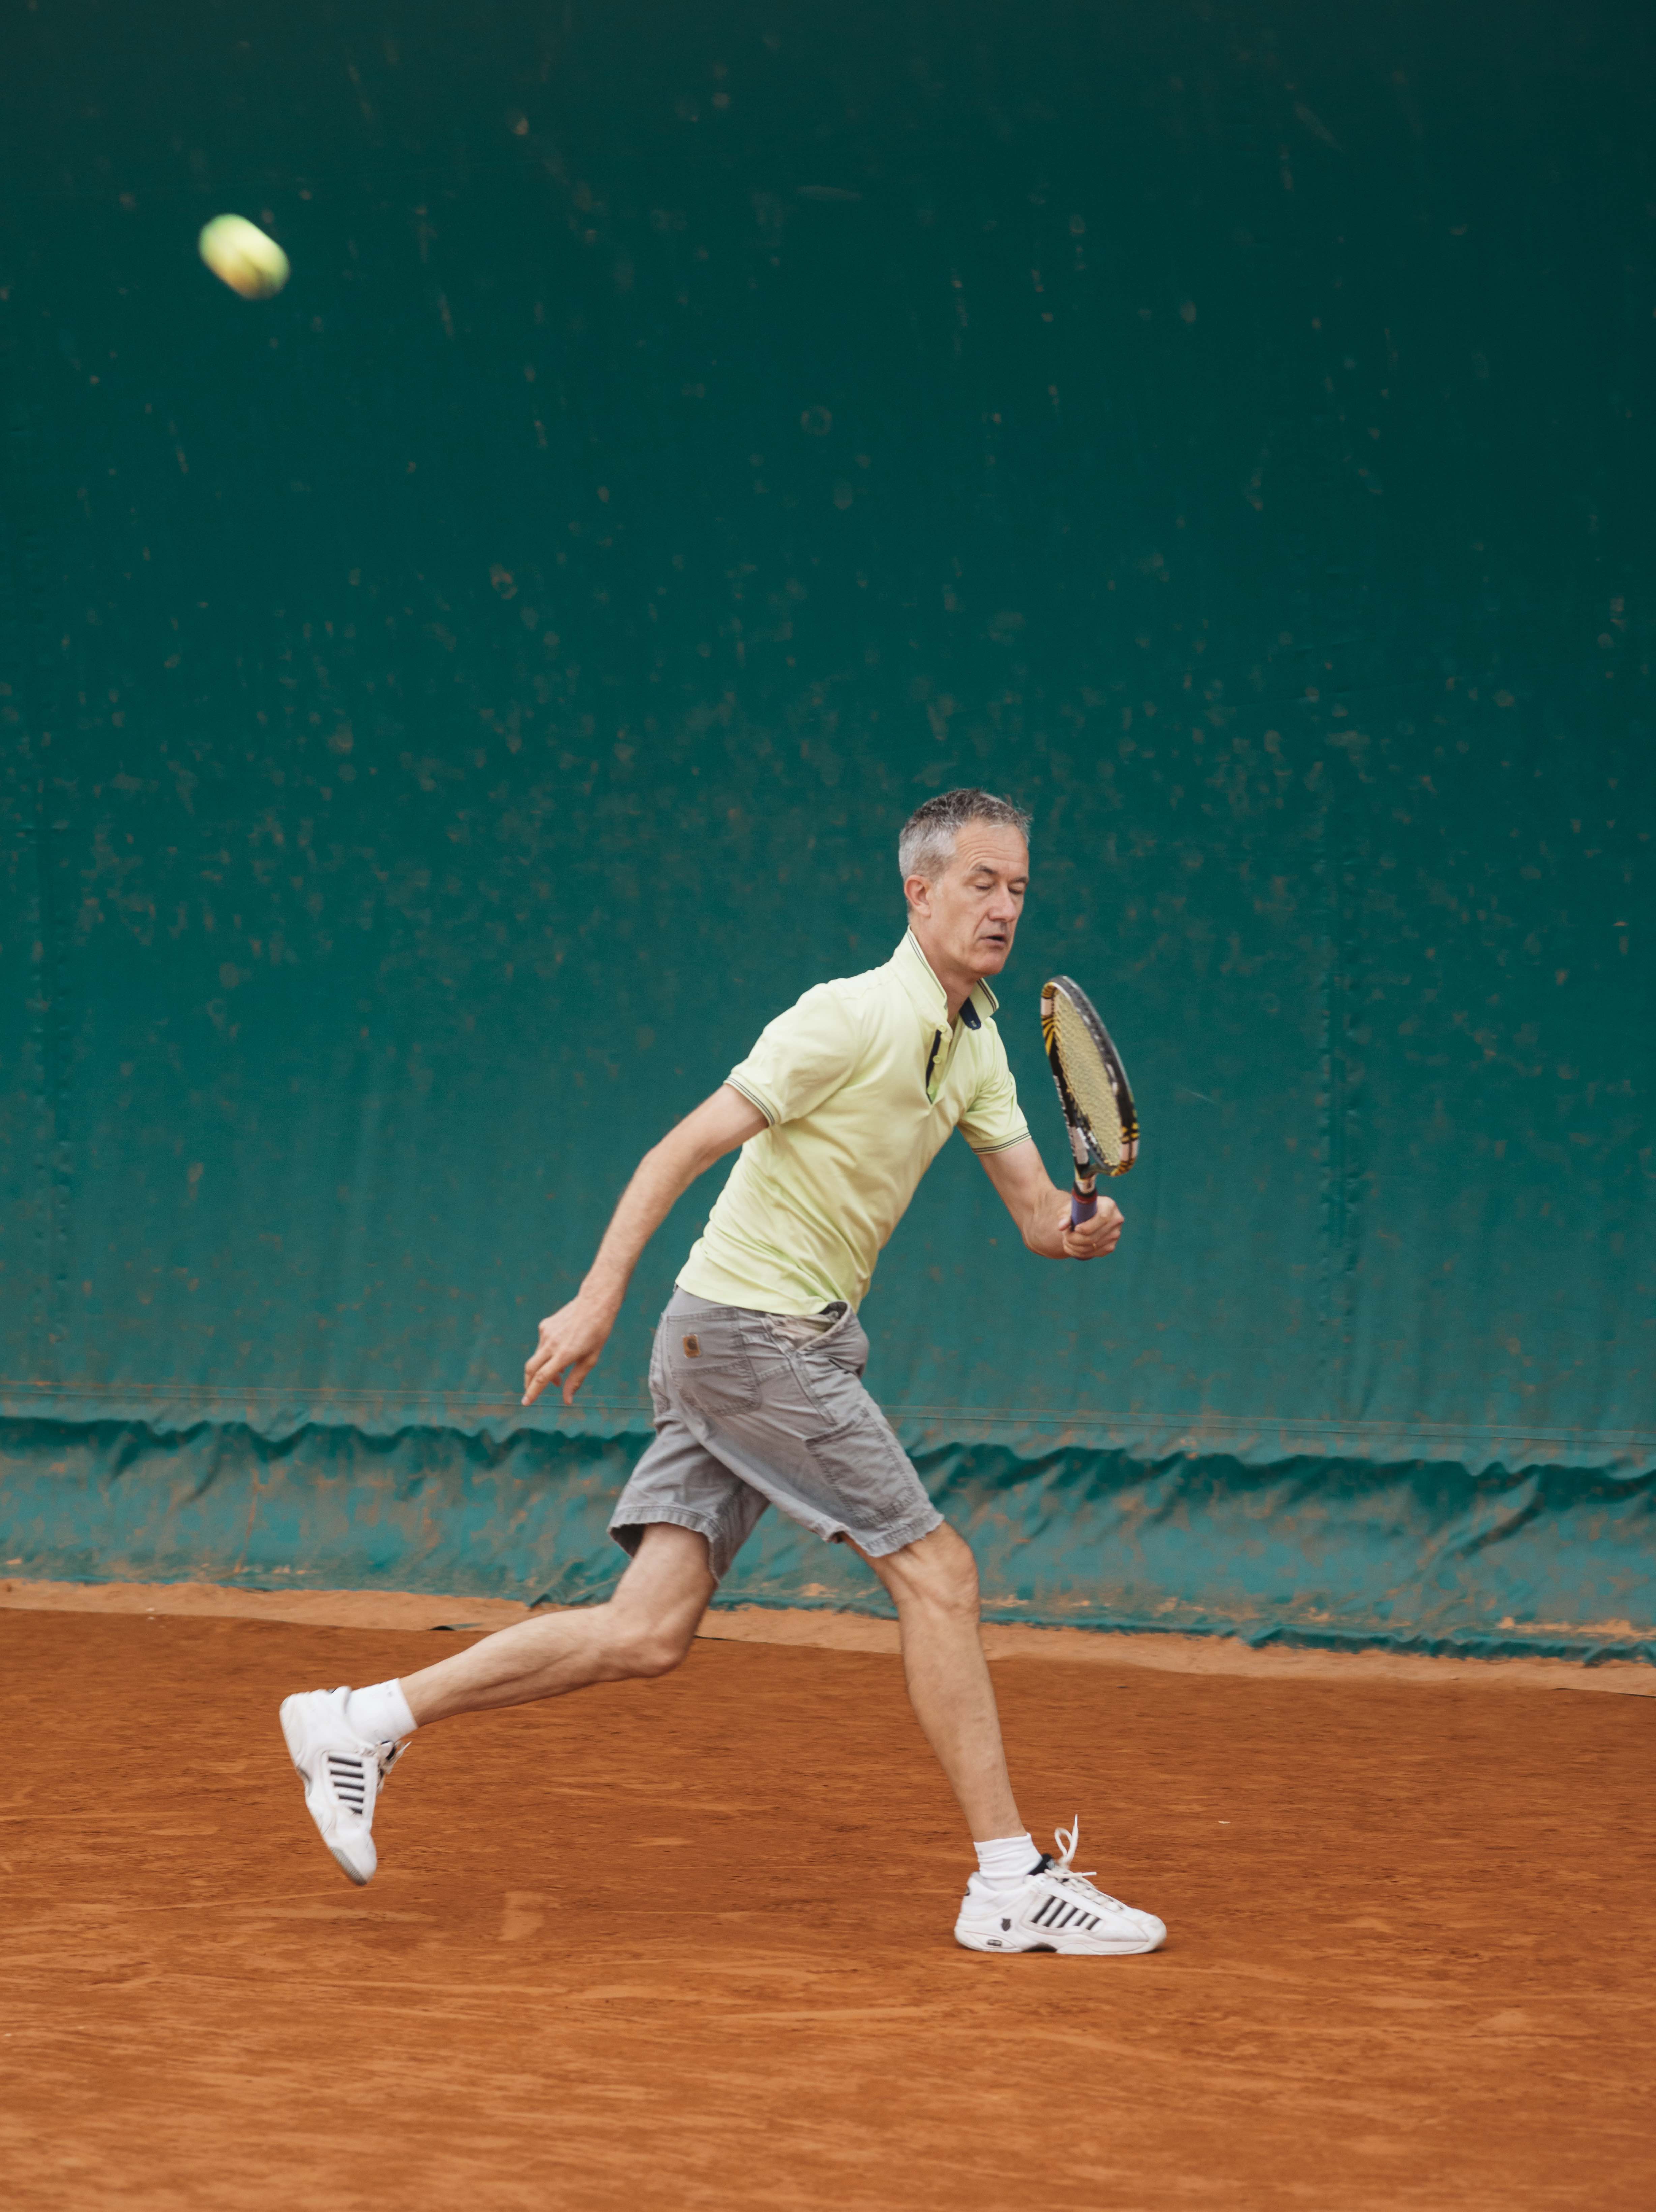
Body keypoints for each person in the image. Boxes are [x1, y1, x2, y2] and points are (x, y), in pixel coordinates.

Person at [279, 787, 1166, 1956]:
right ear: (920, 893)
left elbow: (1041, 1218)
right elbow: (679, 1148)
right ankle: (1009, 1880)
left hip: (757, 1343)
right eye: (980, 884)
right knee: (940, 1573)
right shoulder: (847, 1017)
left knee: (646, 1632)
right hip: (751, 1336)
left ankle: (358, 1719)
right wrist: (597, 1295)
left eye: (1018, 889)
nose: (1003, 908)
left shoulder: (979, 1046)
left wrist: (1079, 1227)